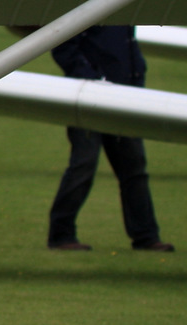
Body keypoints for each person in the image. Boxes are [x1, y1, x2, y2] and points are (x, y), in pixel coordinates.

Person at [46, 24, 172, 252]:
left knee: (134, 169)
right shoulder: (85, 1)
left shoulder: (123, 5)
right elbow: (63, 47)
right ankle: (61, 234)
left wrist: (136, 78)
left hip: (124, 98)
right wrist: (93, 80)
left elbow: (126, 47)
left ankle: (146, 236)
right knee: (83, 165)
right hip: (89, 99)